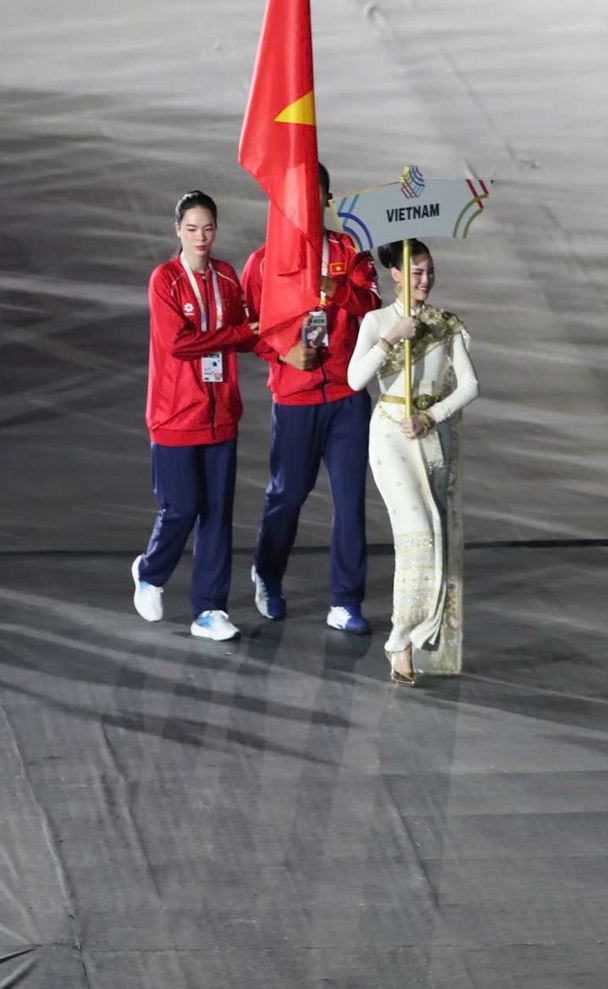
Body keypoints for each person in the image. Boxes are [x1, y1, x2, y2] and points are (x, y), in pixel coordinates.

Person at [241, 164, 383, 632]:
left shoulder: (349, 251)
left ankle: (345, 601)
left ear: (326, 198)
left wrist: (337, 289)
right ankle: (267, 573)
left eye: (314, 191)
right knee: (288, 494)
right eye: (296, 191)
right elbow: (248, 330)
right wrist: (284, 352)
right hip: (296, 397)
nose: (305, 199)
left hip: (347, 396)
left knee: (349, 500)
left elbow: (374, 308)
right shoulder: (264, 262)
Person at [345, 241, 479, 685]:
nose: (425, 280)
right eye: (416, 273)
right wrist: (390, 339)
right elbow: (354, 379)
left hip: (428, 433)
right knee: (417, 534)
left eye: (429, 272)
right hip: (389, 436)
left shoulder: (445, 324)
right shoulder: (377, 320)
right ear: (396, 275)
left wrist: (430, 416)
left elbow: (470, 385)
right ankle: (400, 639)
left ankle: (413, 636)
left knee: (436, 536)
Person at [133, 191, 260, 642]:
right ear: (177, 231)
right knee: (182, 507)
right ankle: (149, 572)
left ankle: (209, 610)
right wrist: (241, 333)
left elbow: (248, 333)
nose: (200, 236)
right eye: (191, 228)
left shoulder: (227, 276)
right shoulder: (164, 279)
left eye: (208, 228)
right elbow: (178, 343)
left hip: (222, 413)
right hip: (174, 414)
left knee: (218, 515)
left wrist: (280, 342)